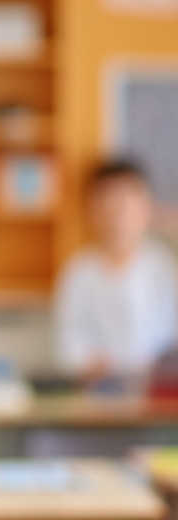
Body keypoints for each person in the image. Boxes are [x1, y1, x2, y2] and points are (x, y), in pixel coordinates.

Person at [55, 159, 178, 387]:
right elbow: (69, 346)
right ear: (93, 210)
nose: (116, 216)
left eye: (124, 205)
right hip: (96, 396)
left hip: (156, 393)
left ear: (145, 209)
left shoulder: (163, 267)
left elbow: (170, 336)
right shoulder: (78, 272)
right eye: (107, 205)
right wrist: (94, 364)